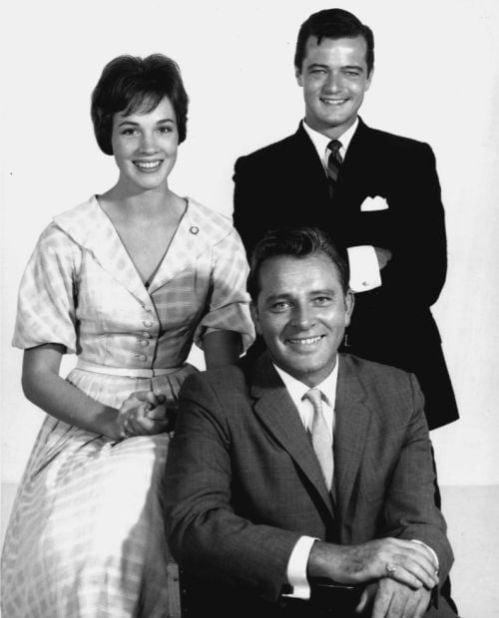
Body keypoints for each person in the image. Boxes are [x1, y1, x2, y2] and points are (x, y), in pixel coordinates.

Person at [1, 54, 254, 617]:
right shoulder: (68, 237)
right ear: (107, 137)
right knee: (76, 552)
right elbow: (38, 376)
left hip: (188, 414)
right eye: (129, 129)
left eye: (163, 127)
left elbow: (223, 370)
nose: (149, 146)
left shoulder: (214, 237)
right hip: (86, 418)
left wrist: (199, 425)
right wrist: (113, 422)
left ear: (180, 132)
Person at [165, 227, 458, 618]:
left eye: (321, 299)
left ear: (348, 306)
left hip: (381, 603)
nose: (304, 321)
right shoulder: (212, 395)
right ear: (255, 314)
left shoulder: (397, 390)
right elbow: (196, 526)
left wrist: (408, 576)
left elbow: (422, 521)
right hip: (269, 606)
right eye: (281, 305)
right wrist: (339, 560)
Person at [233, 8, 458, 431]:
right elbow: (266, 280)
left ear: (369, 76)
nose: (335, 87)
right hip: (294, 367)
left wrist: (312, 266)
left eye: (351, 71)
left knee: (406, 497)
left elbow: (427, 276)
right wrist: (375, 256)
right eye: (320, 70)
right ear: (298, 72)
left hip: (397, 363)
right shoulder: (258, 171)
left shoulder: (410, 160)